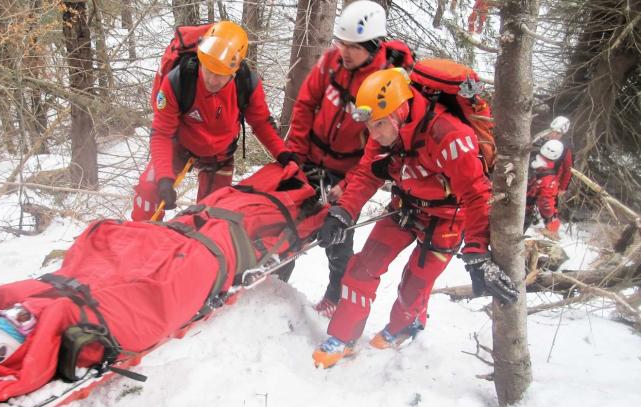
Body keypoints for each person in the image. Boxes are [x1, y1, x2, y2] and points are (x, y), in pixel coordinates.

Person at [310, 68, 518, 369]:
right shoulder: (382, 134)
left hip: (448, 217)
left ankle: (403, 326)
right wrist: (342, 214)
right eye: (370, 126)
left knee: (415, 283)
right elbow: (367, 173)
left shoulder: (449, 136)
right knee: (363, 267)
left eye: (379, 125)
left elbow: (477, 196)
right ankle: (344, 337)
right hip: (404, 206)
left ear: (400, 110)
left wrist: (477, 252)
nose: (375, 134)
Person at [279, 0, 414, 317]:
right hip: (311, 158)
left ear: (373, 45)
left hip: (348, 170)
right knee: (289, 224)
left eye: (354, 47)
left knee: (337, 237)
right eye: (342, 43)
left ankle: (335, 291)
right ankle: (277, 281)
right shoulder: (331, 62)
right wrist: (295, 156)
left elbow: (381, 148)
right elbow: (304, 107)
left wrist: (350, 183)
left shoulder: (386, 82)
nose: (345, 52)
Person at [131, 21, 290, 221]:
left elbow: (261, 123)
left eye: (220, 75)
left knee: (212, 217)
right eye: (208, 70)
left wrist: (283, 153)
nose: (212, 80)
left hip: (219, 155)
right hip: (179, 146)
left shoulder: (246, 83)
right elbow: (162, 133)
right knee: (148, 191)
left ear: (234, 72)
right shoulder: (179, 80)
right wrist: (164, 179)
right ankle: (140, 240)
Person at [525, 140, 565, 240]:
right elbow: (546, 203)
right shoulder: (548, 178)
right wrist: (551, 220)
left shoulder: (527, 158)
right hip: (521, 210)